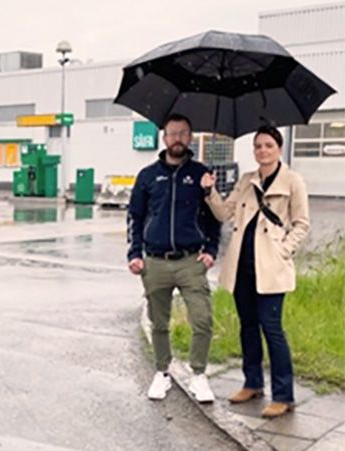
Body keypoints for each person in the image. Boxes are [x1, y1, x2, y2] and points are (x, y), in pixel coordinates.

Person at [200, 125, 310, 418]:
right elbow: (225, 213)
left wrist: (283, 250)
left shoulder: (292, 181)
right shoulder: (248, 180)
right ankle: (252, 383)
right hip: (242, 266)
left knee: (272, 330)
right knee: (247, 326)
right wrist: (210, 191)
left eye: (268, 146)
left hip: (271, 268)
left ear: (279, 149)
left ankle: (284, 396)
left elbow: (301, 224)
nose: (263, 151)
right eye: (258, 146)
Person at [127, 113, 220, 403]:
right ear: (164, 138)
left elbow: (214, 218)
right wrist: (134, 253)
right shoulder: (147, 175)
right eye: (172, 133)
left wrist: (211, 250)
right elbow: (135, 216)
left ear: (190, 138)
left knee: (203, 319)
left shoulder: (201, 173)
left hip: (191, 261)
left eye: (183, 133)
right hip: (155, 262)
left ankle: (199, 375)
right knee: (159, 322)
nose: (177, 138)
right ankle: (162, 372)